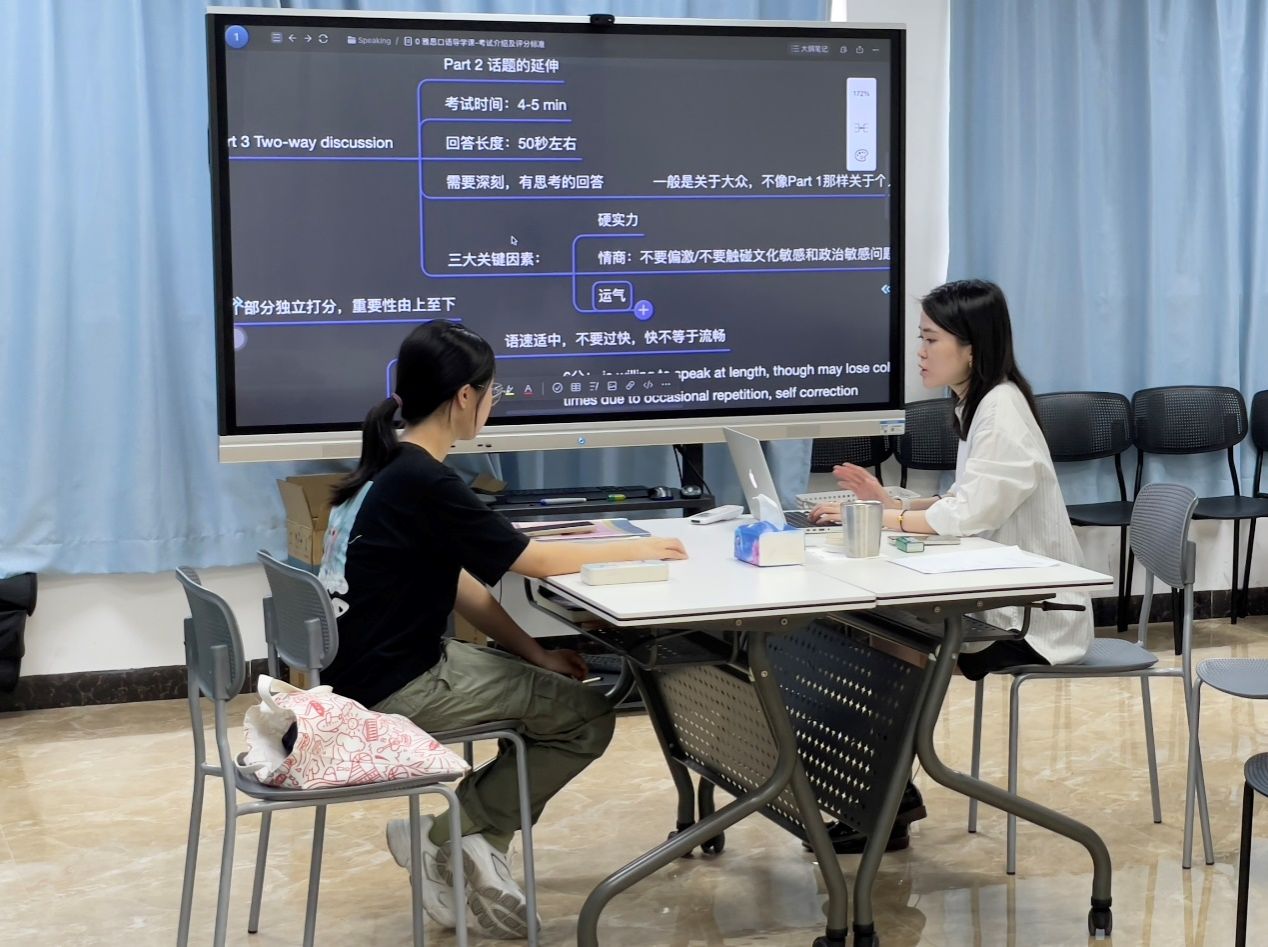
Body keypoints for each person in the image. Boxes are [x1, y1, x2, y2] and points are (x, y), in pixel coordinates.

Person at [318, 321, 688, 938]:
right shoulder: (426, 480)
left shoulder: (388, 466)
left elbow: (461, 585)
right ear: (466, 396)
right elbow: (533, 561)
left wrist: (535, 652)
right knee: (586, 718)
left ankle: (467, 840)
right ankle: (451, 835)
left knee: (553, 697)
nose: (494, 403)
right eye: (494, 392)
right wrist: (643, 547)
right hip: (399, 689)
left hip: (367, 676)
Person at [807, 278, 1093, 853]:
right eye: (921, 337)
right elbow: (966, 502)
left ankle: (885, 801)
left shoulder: (1001, 410)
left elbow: (965, 516)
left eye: (931, 339)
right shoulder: (979, 403)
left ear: (971, 348)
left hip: (1034, 618)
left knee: (891, 640)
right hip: (1001, 597)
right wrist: (891, 504)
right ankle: (887, 796)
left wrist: (880, 518)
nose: (920, 352)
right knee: (881, 634)